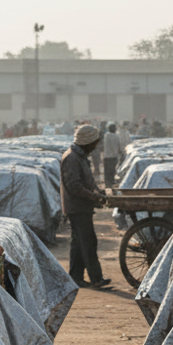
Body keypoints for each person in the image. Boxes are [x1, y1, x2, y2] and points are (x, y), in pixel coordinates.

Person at [60, 124, 110, 290]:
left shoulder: (80, 157)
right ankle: (96, 278)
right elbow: (74, 186)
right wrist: (94, 196)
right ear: (87, 143)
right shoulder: (72, 158)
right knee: (88, 243)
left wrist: (98, 191)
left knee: (79, 244)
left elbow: (88, 181)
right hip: (77, 207)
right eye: (94, 144)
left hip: (82, 206)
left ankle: (75, 278)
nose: (95, 147)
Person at [102, 122, 123, 188]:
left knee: (107, 172)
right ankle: (112, 184)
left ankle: (107, 185)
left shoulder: (106, 135)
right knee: (113, 172)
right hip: (114, 157)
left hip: (107, 157)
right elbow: (120, 147)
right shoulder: (117, 136)